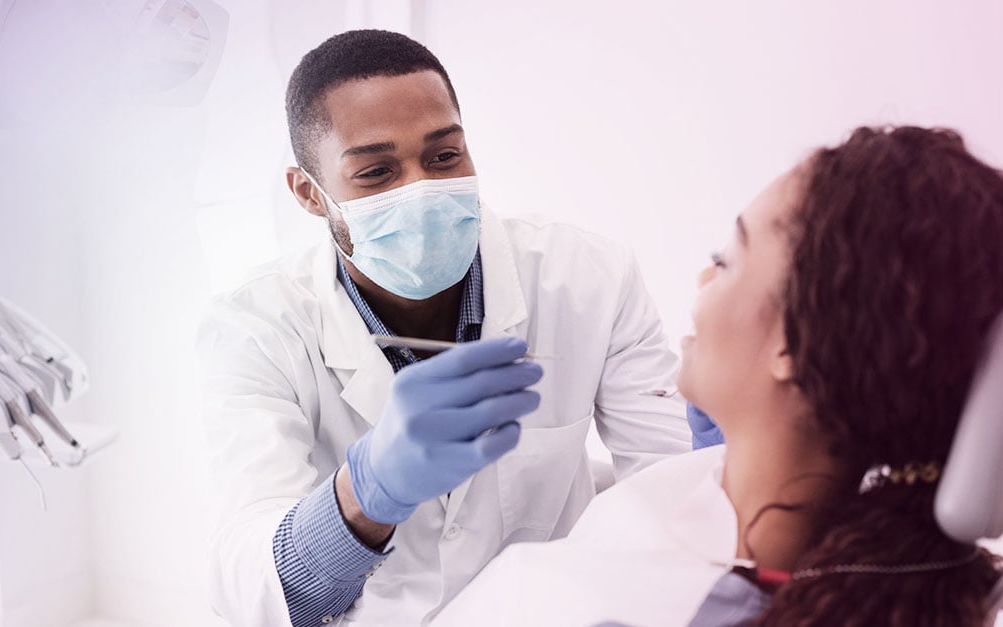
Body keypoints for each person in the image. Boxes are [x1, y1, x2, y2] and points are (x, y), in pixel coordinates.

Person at [197, 30, 710, 626]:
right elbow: (254, 592)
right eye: (377, 172)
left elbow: (675, 499)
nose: (422, 189)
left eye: (444, 157)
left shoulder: (588, 277)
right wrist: (365, 496)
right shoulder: (255, 328)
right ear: (311, 194)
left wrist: (724, 464)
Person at [433, 126, 1003, 626]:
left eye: (729, 260)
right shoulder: (907, 564)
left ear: (794, 342)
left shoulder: (624, 608)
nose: (704, 278)